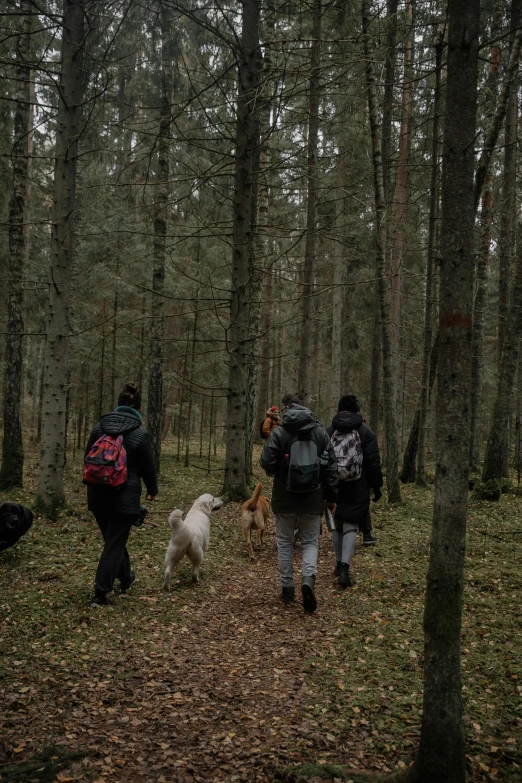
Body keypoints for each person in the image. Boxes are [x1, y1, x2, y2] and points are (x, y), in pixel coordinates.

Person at [259, 392, 338, 613]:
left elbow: (266, 462)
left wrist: (277, 471)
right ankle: (308, 580)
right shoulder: (320, 433)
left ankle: (287, 590)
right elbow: (331, 467)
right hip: (312, 499)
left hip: (284, 497)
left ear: (288, 410)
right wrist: (331, 498)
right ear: (306, 410)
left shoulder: (280, 432)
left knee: (284, 543)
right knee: (310, 542)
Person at [85, 382, 158, 607]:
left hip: (97, 494)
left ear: (118, 404)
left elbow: (87, 458)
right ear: (138, 407)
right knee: (114, 543)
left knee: (113, 540)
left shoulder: (99, 428)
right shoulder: (141, 433)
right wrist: (152, 491)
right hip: (125, 497)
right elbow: (149, 468)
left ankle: (126, 578)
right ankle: (100, 593)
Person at [326, 395, 382, 589]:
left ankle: (337, 563)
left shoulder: (330, 430)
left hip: (334, 484)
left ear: (340, 409)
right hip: (358, 483)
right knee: (351, 524)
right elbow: (373, 462)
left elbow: (323, 458)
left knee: (337, 524)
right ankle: (345, 569)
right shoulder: (365, 430)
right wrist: (377, 486)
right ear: (357, 409)